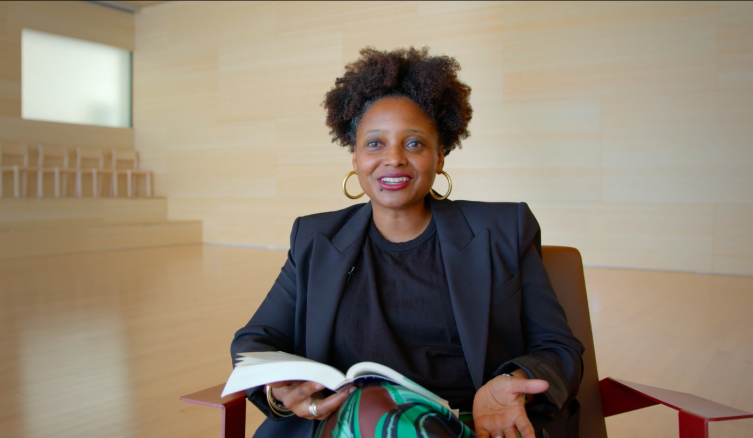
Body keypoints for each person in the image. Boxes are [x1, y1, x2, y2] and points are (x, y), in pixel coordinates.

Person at [231, 47, 584, 438]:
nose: (394, 158)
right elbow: (254, 344)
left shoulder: (503, 229)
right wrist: (284, 393)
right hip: (341, 427)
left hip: (475, 425)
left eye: (414, 144)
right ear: (355, 158)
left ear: (440, 156)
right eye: (375, 144)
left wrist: (511, 383)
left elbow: (558, 347)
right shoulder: (315, 239)